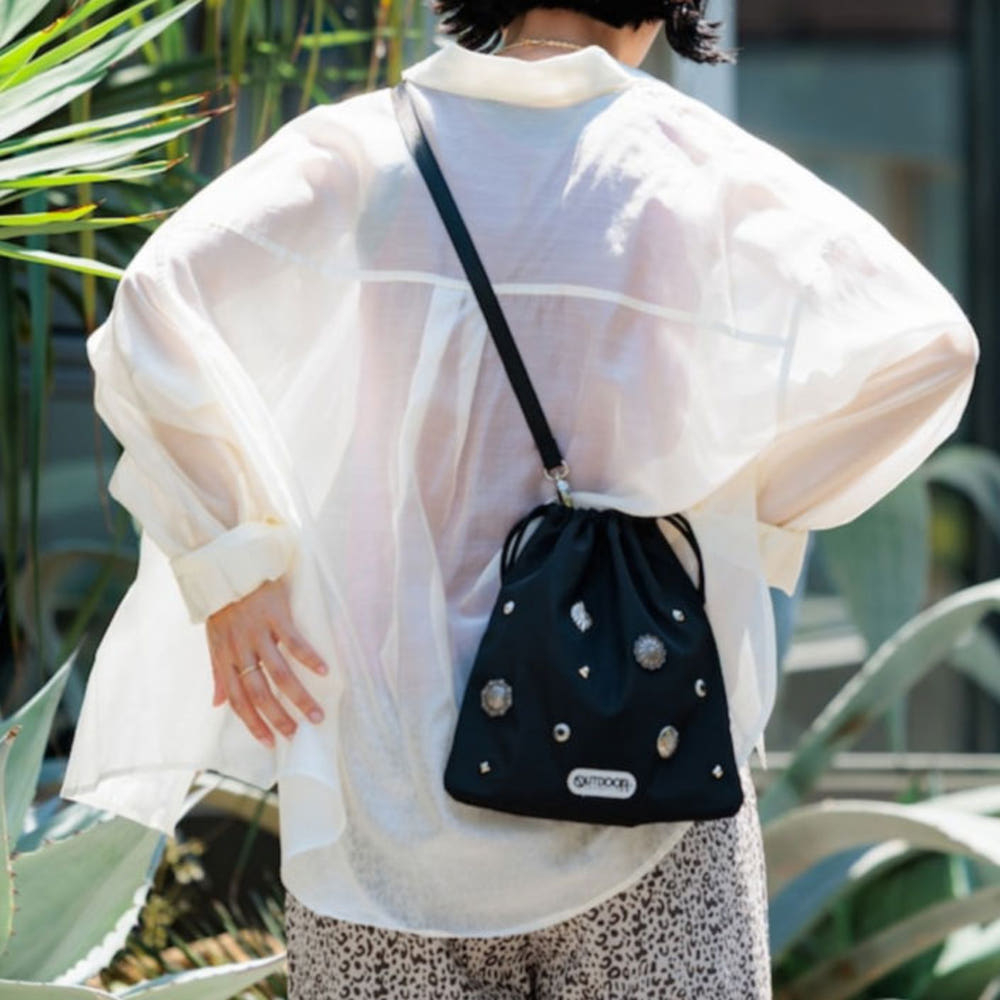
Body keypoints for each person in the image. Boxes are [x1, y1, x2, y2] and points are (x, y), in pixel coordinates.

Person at [61, 1, 979, 996]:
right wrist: (736, 508)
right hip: (645, 774)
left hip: (390, 796)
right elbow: (934, 348)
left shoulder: (368, 151)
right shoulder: (690, 164)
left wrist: (233, 563)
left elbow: (154, 303)